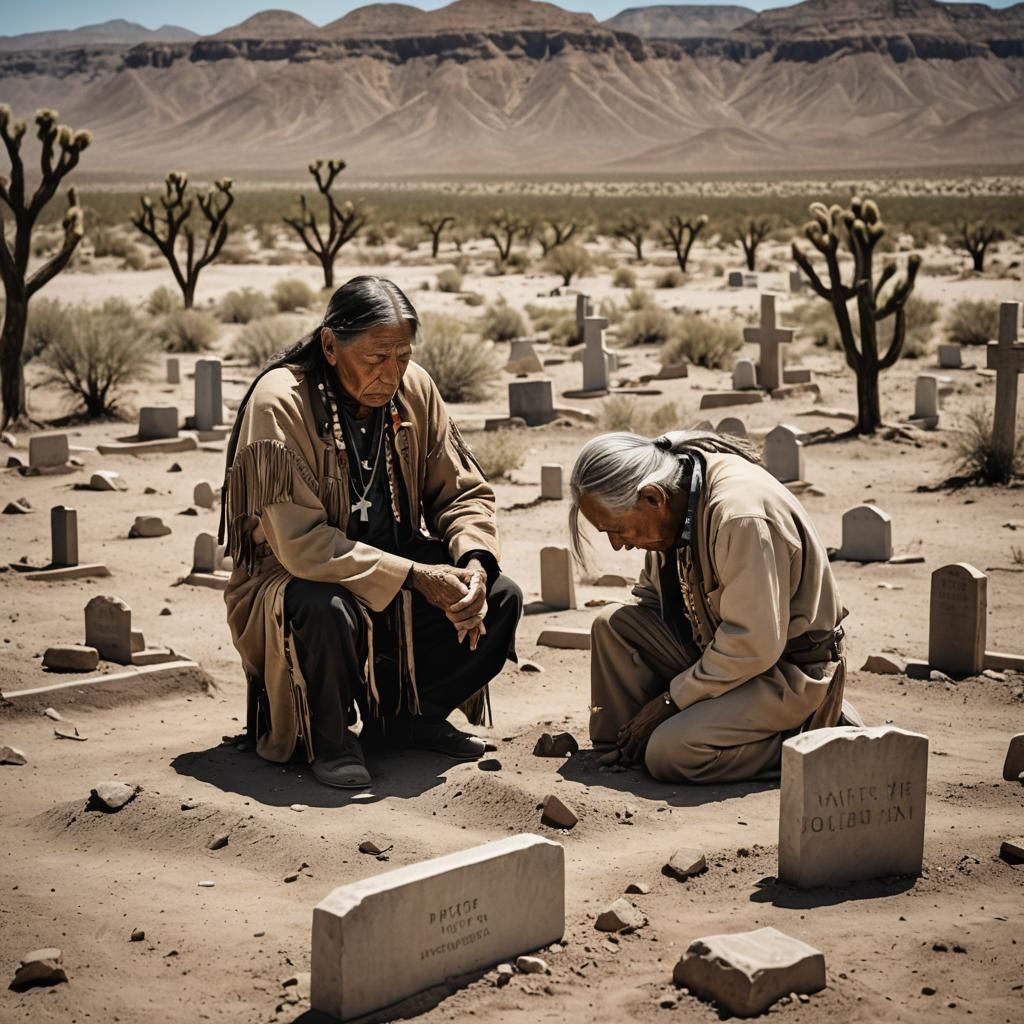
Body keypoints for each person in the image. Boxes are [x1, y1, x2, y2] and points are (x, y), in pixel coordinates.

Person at [219, 276, 522, 789]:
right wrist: (417, 576)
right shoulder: (280, 403)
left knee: (499, 595)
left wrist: (472, 561)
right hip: (293, 582)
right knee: (325, 608)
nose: (392, 373)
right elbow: (301, 547)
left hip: (396, 566)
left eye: (402, 356)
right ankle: (329, 739)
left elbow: (462, 493)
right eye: (377, 358)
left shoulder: (413, 391)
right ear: (331, 346)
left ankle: (409, 721)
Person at [569, 430, 856, 785]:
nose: (617, 545)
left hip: (787, 672)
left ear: (652, 498)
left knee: (671, 753)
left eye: (618, 530)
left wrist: (671, 701)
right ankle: (622, 748)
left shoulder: (739, 516)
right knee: (612, 625)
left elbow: (753, 646)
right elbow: (652, 599)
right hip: (720, 653)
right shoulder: (677, 498)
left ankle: (816, 734)